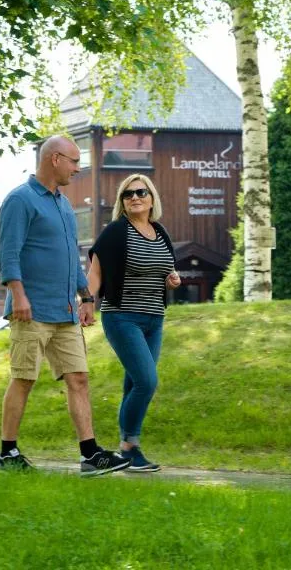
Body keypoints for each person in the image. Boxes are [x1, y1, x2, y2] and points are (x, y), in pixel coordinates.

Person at [0, 135, 130, 477]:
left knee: (79, 378)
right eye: (73, 161)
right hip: (31, 309)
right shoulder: (20, 200)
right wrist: (18, 295)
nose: (78, 167)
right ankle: (7, 452)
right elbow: (7, 253)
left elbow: (72, 258)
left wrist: (85, 296)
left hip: (65, 311)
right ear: (54, 159)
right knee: (24, 377)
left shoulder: (63, 204)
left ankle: (90, 454)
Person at [81, 174, 181, 472]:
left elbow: (165, 270)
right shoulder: (115, 232)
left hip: (154, 319)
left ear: (152, 198)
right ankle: (128, 448)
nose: (135, 197)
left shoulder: (160, 232)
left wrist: (172, 280)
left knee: (135, 382)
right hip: (122, 316)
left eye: (141, 192)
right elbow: (96, 272)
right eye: (128, 194)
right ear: (122, 203)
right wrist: (87, 301)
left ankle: (128, 449)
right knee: (147, 381)